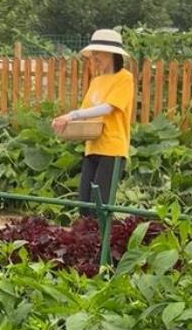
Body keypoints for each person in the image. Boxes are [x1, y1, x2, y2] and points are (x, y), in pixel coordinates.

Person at [51, 29, 134, 208]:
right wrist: (64, 122)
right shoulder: (96, 81)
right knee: (84, 202)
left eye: (98, 54)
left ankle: (101, 236)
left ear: (111, 54)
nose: (94, 58)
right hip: (92, 146)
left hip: (112, 149)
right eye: (93, 53)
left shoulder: (124, 78)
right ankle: (86, 235)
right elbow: (86, 111)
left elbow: (108, 108)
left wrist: (73, 115)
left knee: (100, 204)